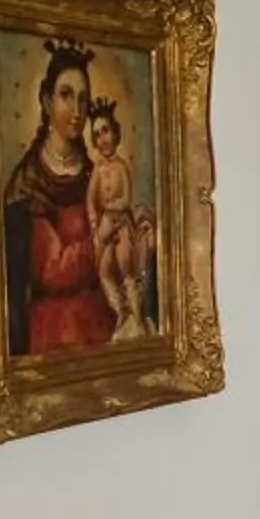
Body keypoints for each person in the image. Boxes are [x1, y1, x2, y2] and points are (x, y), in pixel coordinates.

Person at [0, 40, 121, 355]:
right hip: (53, 335)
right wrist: (100, 240)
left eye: (83, 99)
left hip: (101, 327)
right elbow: (51, 271)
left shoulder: (96, 174)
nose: (78, 110)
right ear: (45, 100)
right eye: (66, 95)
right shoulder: (27, 182)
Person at [83, 97, 157, 339]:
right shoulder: (96, 169)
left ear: (115, 133)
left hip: (122, 222)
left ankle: (136, 314)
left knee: (125, 265)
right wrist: (94, 223)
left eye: (105, 131)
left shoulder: (121, 167)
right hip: (105, 225)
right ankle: (120, 312)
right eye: (96, 134)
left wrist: (115, 206)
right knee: (104, 271)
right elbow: (90, 199)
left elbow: (126, 198)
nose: (102, 139)